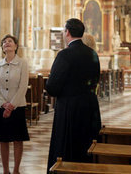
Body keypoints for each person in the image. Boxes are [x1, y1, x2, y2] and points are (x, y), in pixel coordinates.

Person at [46, 18, 101, 172]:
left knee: (66, 149)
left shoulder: (64, 55)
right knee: (86, 147)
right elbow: (96, 81)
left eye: (64, 31)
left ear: (67, 32)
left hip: (69, 108)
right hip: (90, 108)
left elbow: (52, 86)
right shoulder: (93, 54)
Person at [0, 34, 30, 174]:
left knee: (18, 139)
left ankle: (16, 170)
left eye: (10, 41)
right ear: (2, 47)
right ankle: (5, 170)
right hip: (0, 107)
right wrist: (3, 104)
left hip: (17, 107)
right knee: (3, 139)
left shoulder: (22, 63)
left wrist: (12, 105)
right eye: (4, 42)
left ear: (15, 46)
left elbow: (23, 86)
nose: (7, 43)